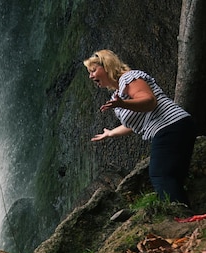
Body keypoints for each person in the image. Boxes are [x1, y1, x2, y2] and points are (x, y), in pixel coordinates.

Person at [83, 49, 196, 206]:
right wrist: (111, 133)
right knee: (171, 176)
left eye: (94, 70)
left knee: (159, 174)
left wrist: (123, 103)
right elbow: (132, 124)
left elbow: (149, 101)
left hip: (170, 125)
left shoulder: (129, 78)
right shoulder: (118, 95)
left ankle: (181, 217)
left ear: (107, 66)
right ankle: (187, 215)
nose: (91, 76)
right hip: (172, 128)